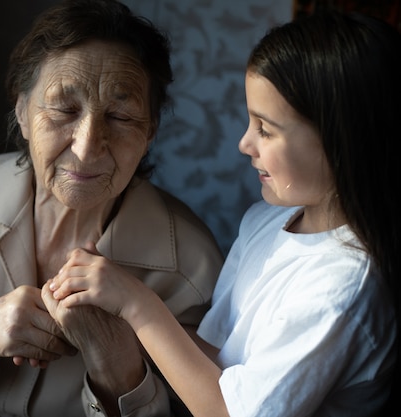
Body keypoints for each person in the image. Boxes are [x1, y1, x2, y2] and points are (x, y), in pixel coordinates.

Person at [0, 1, 224, 416]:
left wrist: (116, 367)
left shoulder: (192, 267)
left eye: (121, 116)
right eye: (64, 110)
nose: (87, 147)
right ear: (22, 111)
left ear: (150, 132)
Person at [43, 10, 401, 417]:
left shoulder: (343, 288)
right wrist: (107, 316)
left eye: (265, 129)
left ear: (343, 143)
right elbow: (215, 358)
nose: (245, 144)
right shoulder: (263, 222)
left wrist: (135, 303)